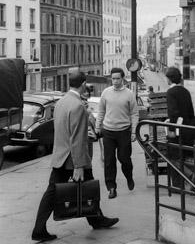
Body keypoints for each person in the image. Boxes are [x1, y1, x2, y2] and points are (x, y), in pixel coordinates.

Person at [31, 70, 119, 242]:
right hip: (73, 159)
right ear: (84, 84)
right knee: (84, 190)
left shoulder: (62, 102)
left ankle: (96, 220)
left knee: (58, 192)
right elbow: (78, 137)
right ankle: (39, 229)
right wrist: (78, 166)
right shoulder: (78, 105)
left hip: (61, 155)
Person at [95, 67, 138, 199]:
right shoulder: (106, 93)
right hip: (108, 131)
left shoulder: (129, 94)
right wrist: (98, 126)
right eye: (113, 78)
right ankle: (111, 188)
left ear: (123, 78)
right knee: (109, 161)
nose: (115, 81)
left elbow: (134, 114)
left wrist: (134, 132)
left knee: (124, 159)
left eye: (117, 78)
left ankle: (129, 177)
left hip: (124, 131)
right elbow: (101, 111)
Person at [165, 66, 195, 189]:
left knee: (172, 157)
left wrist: (171, 129)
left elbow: (173, 112)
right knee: (181, 156)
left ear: (169, 79)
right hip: (187, 129)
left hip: (177, 130)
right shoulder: (185, 91)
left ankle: (189, 177)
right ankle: (181, 183)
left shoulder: (171, 92)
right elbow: (191, 113)